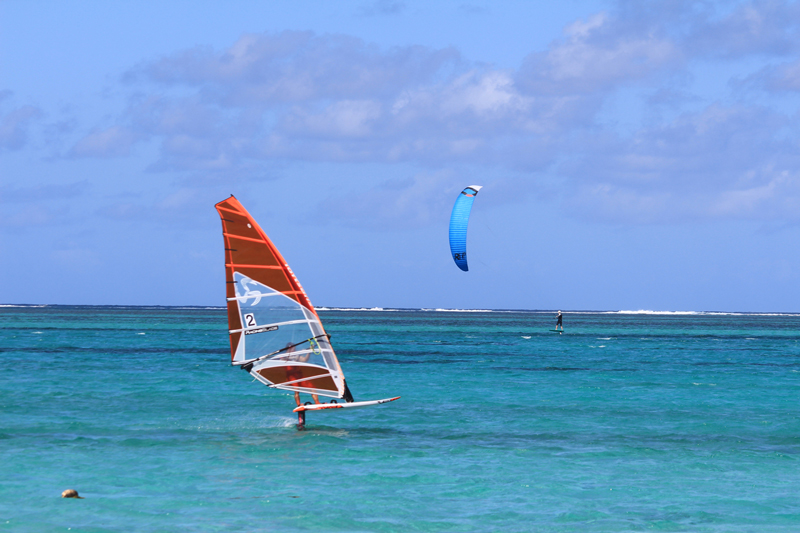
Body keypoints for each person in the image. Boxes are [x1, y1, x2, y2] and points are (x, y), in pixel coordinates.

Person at [283, 342, 320, 407]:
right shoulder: (284, 356)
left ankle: (317, 403)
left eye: (294, 348)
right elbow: (282, 359)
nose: (294, 349)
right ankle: (298, 404)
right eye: (292, 348)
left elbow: (304, 360)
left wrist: (309, 352)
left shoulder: (296, 355)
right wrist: (291, 357)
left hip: (299, 376)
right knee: (297, 390)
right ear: (289, 349)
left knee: (312, 388)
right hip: (291, 377)